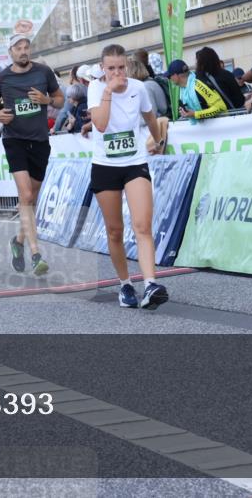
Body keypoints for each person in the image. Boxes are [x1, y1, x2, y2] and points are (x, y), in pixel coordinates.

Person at [87, 45, 169, 310]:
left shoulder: (138, 87)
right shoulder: (95, 89)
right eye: (111, 68)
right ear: (103, 68)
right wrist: (109, 91)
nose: (117, 72)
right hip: (105, 166)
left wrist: (158, 141)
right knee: (114, 231)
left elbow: (150, 116)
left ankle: (150, 284)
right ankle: (125, 284)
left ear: (127, 66)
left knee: (142, 225)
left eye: (121, 67)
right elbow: (99, 124)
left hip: (135, 163)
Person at [0, 33, 64, 276]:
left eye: (26, 46)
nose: (23, 51)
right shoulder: (1, 78)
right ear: (10, 51)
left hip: (40, 140)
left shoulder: (43, 72)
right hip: (14, 139)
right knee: (26, 194)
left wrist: (46, 99)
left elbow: (60, 100)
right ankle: (35, 252)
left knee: (31, 200)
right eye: (18, 47)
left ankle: (18, 241)